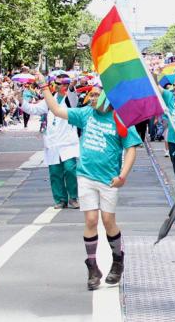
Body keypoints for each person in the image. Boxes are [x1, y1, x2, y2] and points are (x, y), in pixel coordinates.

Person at [36, 74, 143, 290]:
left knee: (108, 221)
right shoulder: (86, 114)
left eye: (95, 95)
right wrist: (44, 86)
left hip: (109, 180)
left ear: (107, 97)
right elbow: (56, 110)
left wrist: (122, 176)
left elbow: (131, 149)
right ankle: (92, 268)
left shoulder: (120, 118)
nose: (91, 98)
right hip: (85, 176)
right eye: (90, 95)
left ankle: (117, 261)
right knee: (91, 220)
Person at [18, 74, 81, 209]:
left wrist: (72, 85)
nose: (56, 86)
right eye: (56, 83)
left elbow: (71, 92)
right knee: (55, 173)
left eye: (59, 83)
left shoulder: (71, 99)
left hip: (68, 142)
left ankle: (73, 197)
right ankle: (60, 200)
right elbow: (34, 109)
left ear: (66, 85)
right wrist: (21, 101)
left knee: (70, 170)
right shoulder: (50, 99)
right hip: (52, 142)